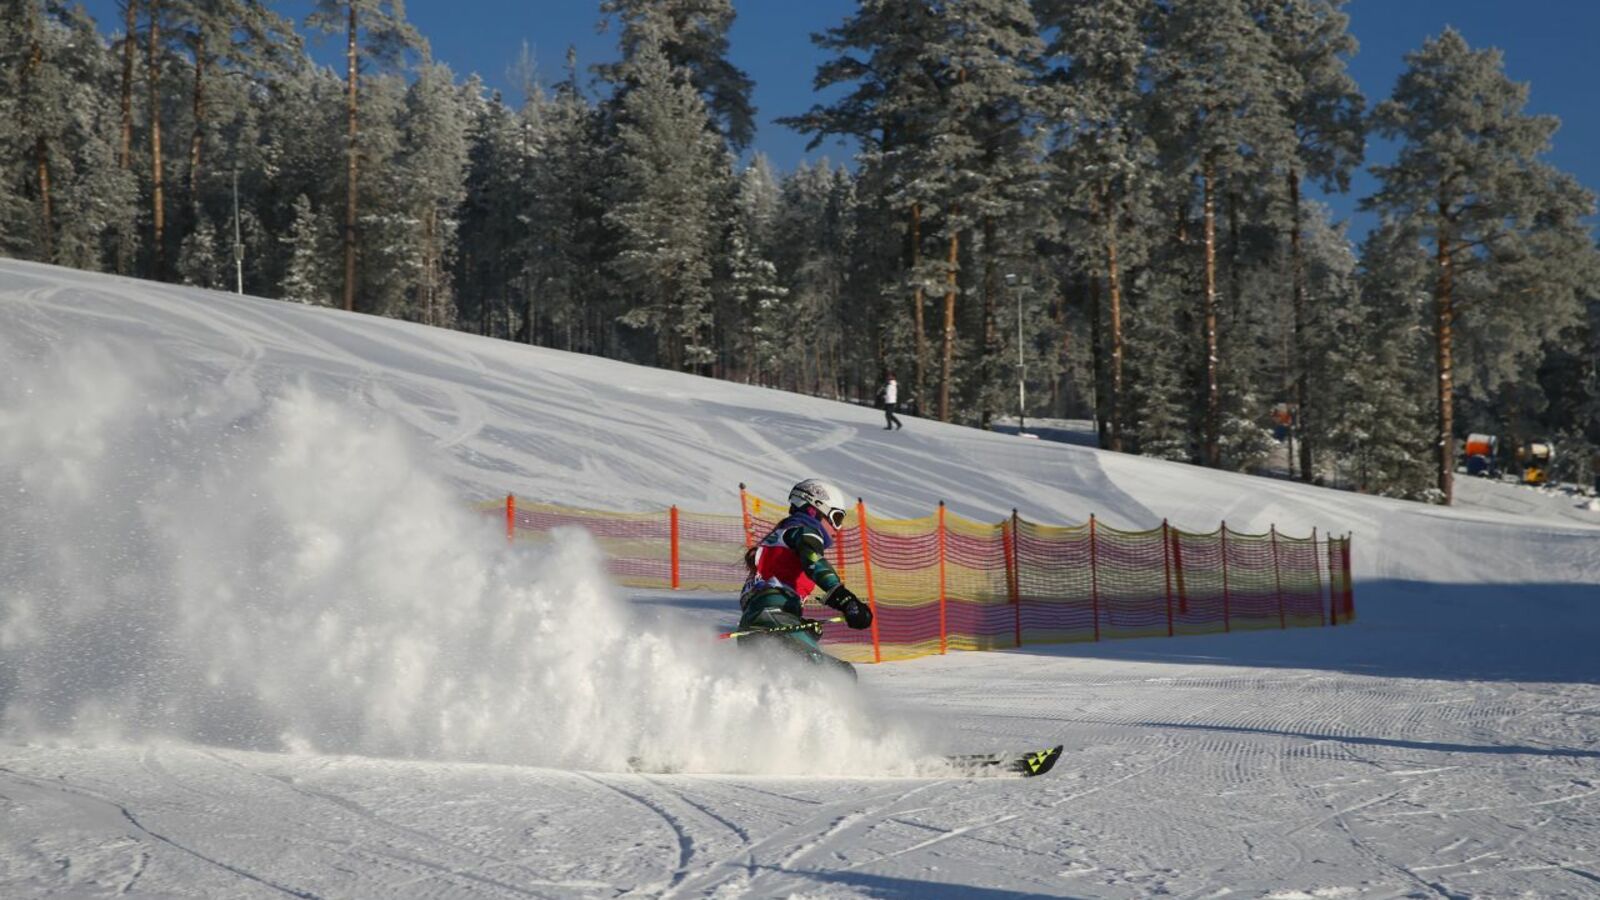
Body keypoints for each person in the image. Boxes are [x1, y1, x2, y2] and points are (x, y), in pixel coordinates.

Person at [737, 478, 874, 676]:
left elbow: (759, 594)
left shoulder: (779, 537)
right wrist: (846, 600)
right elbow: (815, 563)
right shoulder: (804, 531)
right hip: (774, 619)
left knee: (775, 681)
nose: (838, 529)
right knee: (839, 674)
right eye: (836, 518)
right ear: (814, 510)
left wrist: (798, 623)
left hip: (755, 624)